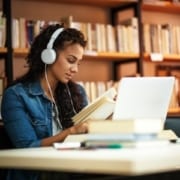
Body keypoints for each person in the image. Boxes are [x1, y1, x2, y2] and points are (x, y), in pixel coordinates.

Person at [1, 23, 89, 180]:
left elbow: (86, 139)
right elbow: (27, 148)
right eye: (70, 60)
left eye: (78, 63)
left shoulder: (77, 93)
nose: (75, 69)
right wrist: (71, 132)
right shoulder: (16, 96)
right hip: (36, 175)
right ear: (49, 55)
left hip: (72, 171)